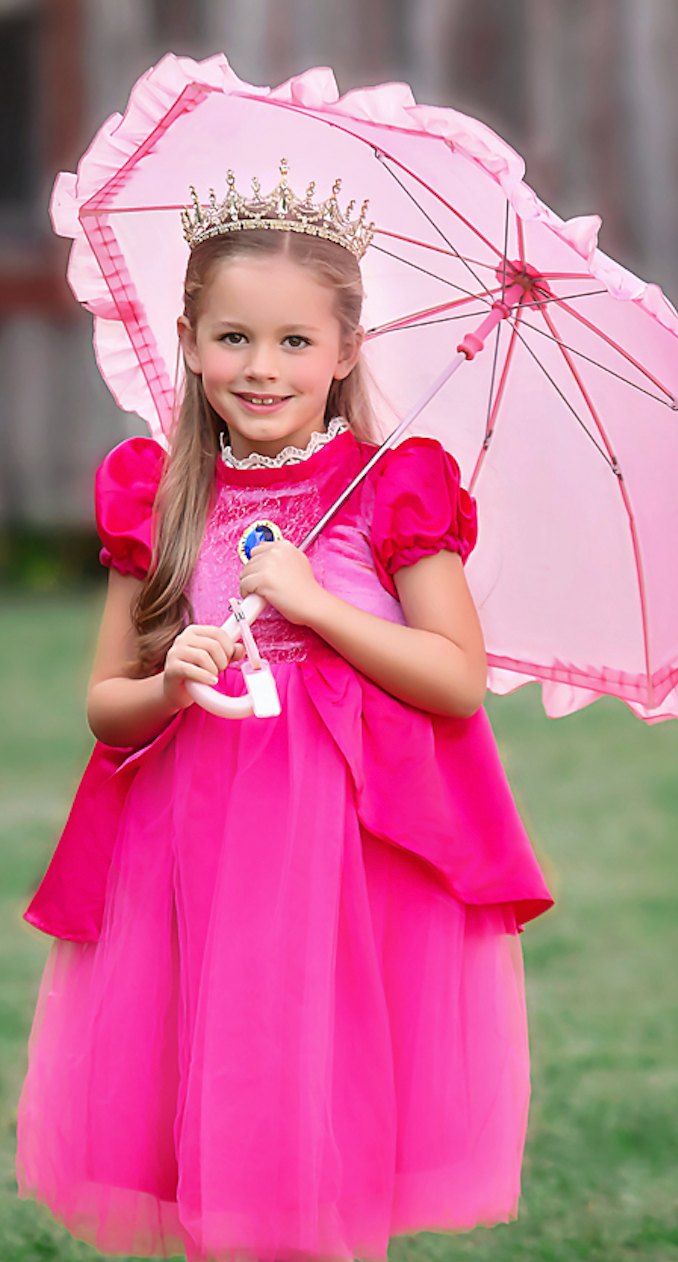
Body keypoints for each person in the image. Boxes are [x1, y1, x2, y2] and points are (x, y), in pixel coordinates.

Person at [17, 170, 553, 1262]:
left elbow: (454, 676)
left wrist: (313, 603)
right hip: (194, 835)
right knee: (219, 1076)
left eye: (296, 342)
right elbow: (106, 710)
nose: (263, 368)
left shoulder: (394, 487)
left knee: (318, 1078)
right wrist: (173, 680)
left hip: (347, 846)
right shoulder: (158, 492)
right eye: (234, 337)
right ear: (190, 339)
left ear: (345, 351)